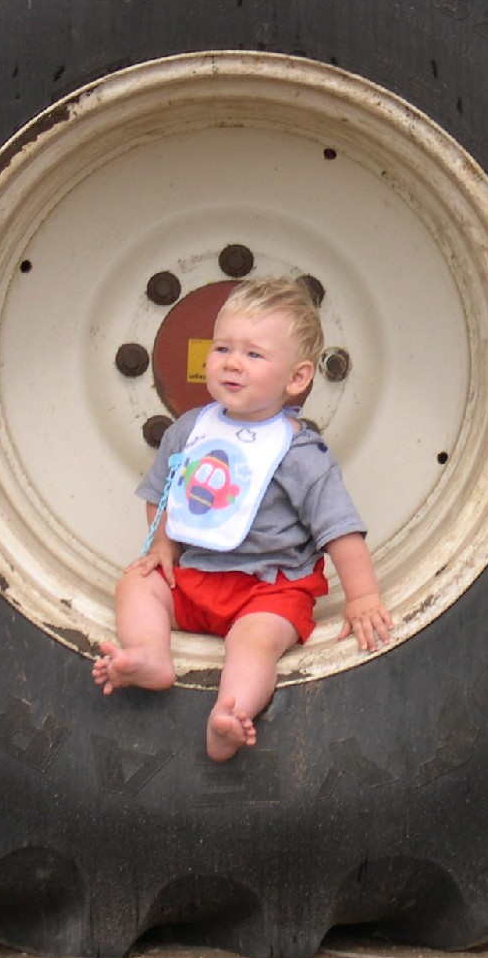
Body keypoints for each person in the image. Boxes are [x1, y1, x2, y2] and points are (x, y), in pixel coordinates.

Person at [92, 276, 391, 761]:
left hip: (270, 588)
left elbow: (340, 529)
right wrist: (162, 548)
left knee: (254, 643)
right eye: (223, 348)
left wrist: (363, 596)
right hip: (194, 576)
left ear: (296, 378)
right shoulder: (190, 430)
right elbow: (165, 492)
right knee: (137, 582)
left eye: (254, 355)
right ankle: (149, 653)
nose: (232, 362)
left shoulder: (299, 451)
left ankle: (231, 714)